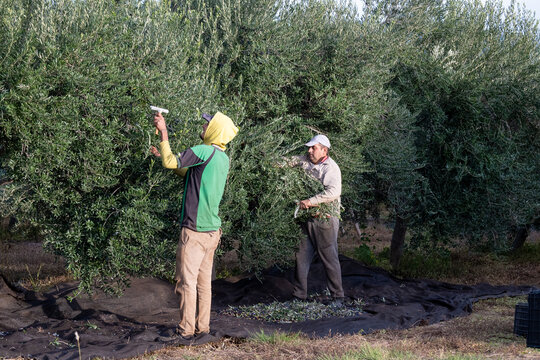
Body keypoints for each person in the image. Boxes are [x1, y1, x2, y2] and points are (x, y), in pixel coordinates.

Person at [151, 110, 238, 340]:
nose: (203, 127)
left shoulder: (202, 151)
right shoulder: (222, 158)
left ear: (214, 131)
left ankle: (185, 331)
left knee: (185, 282)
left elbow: (172, 163)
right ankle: (203, 329)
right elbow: (192, 175)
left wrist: (163, 132)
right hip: (212, 232)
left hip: (194, 231)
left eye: (207, 125)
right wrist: (163, 155)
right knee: (203, 283)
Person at [288, 134, 344, 305]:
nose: (309, 150)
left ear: (324, 150)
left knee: (329, 257)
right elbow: (289, 161)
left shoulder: (331, 168)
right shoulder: (306, 160)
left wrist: (310, 202)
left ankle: (338, 296)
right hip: (307, 219)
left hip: (324, 220)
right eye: (309, 147)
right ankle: (299, 296)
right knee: (301, 256)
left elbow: (333, 192)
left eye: (314, 148)